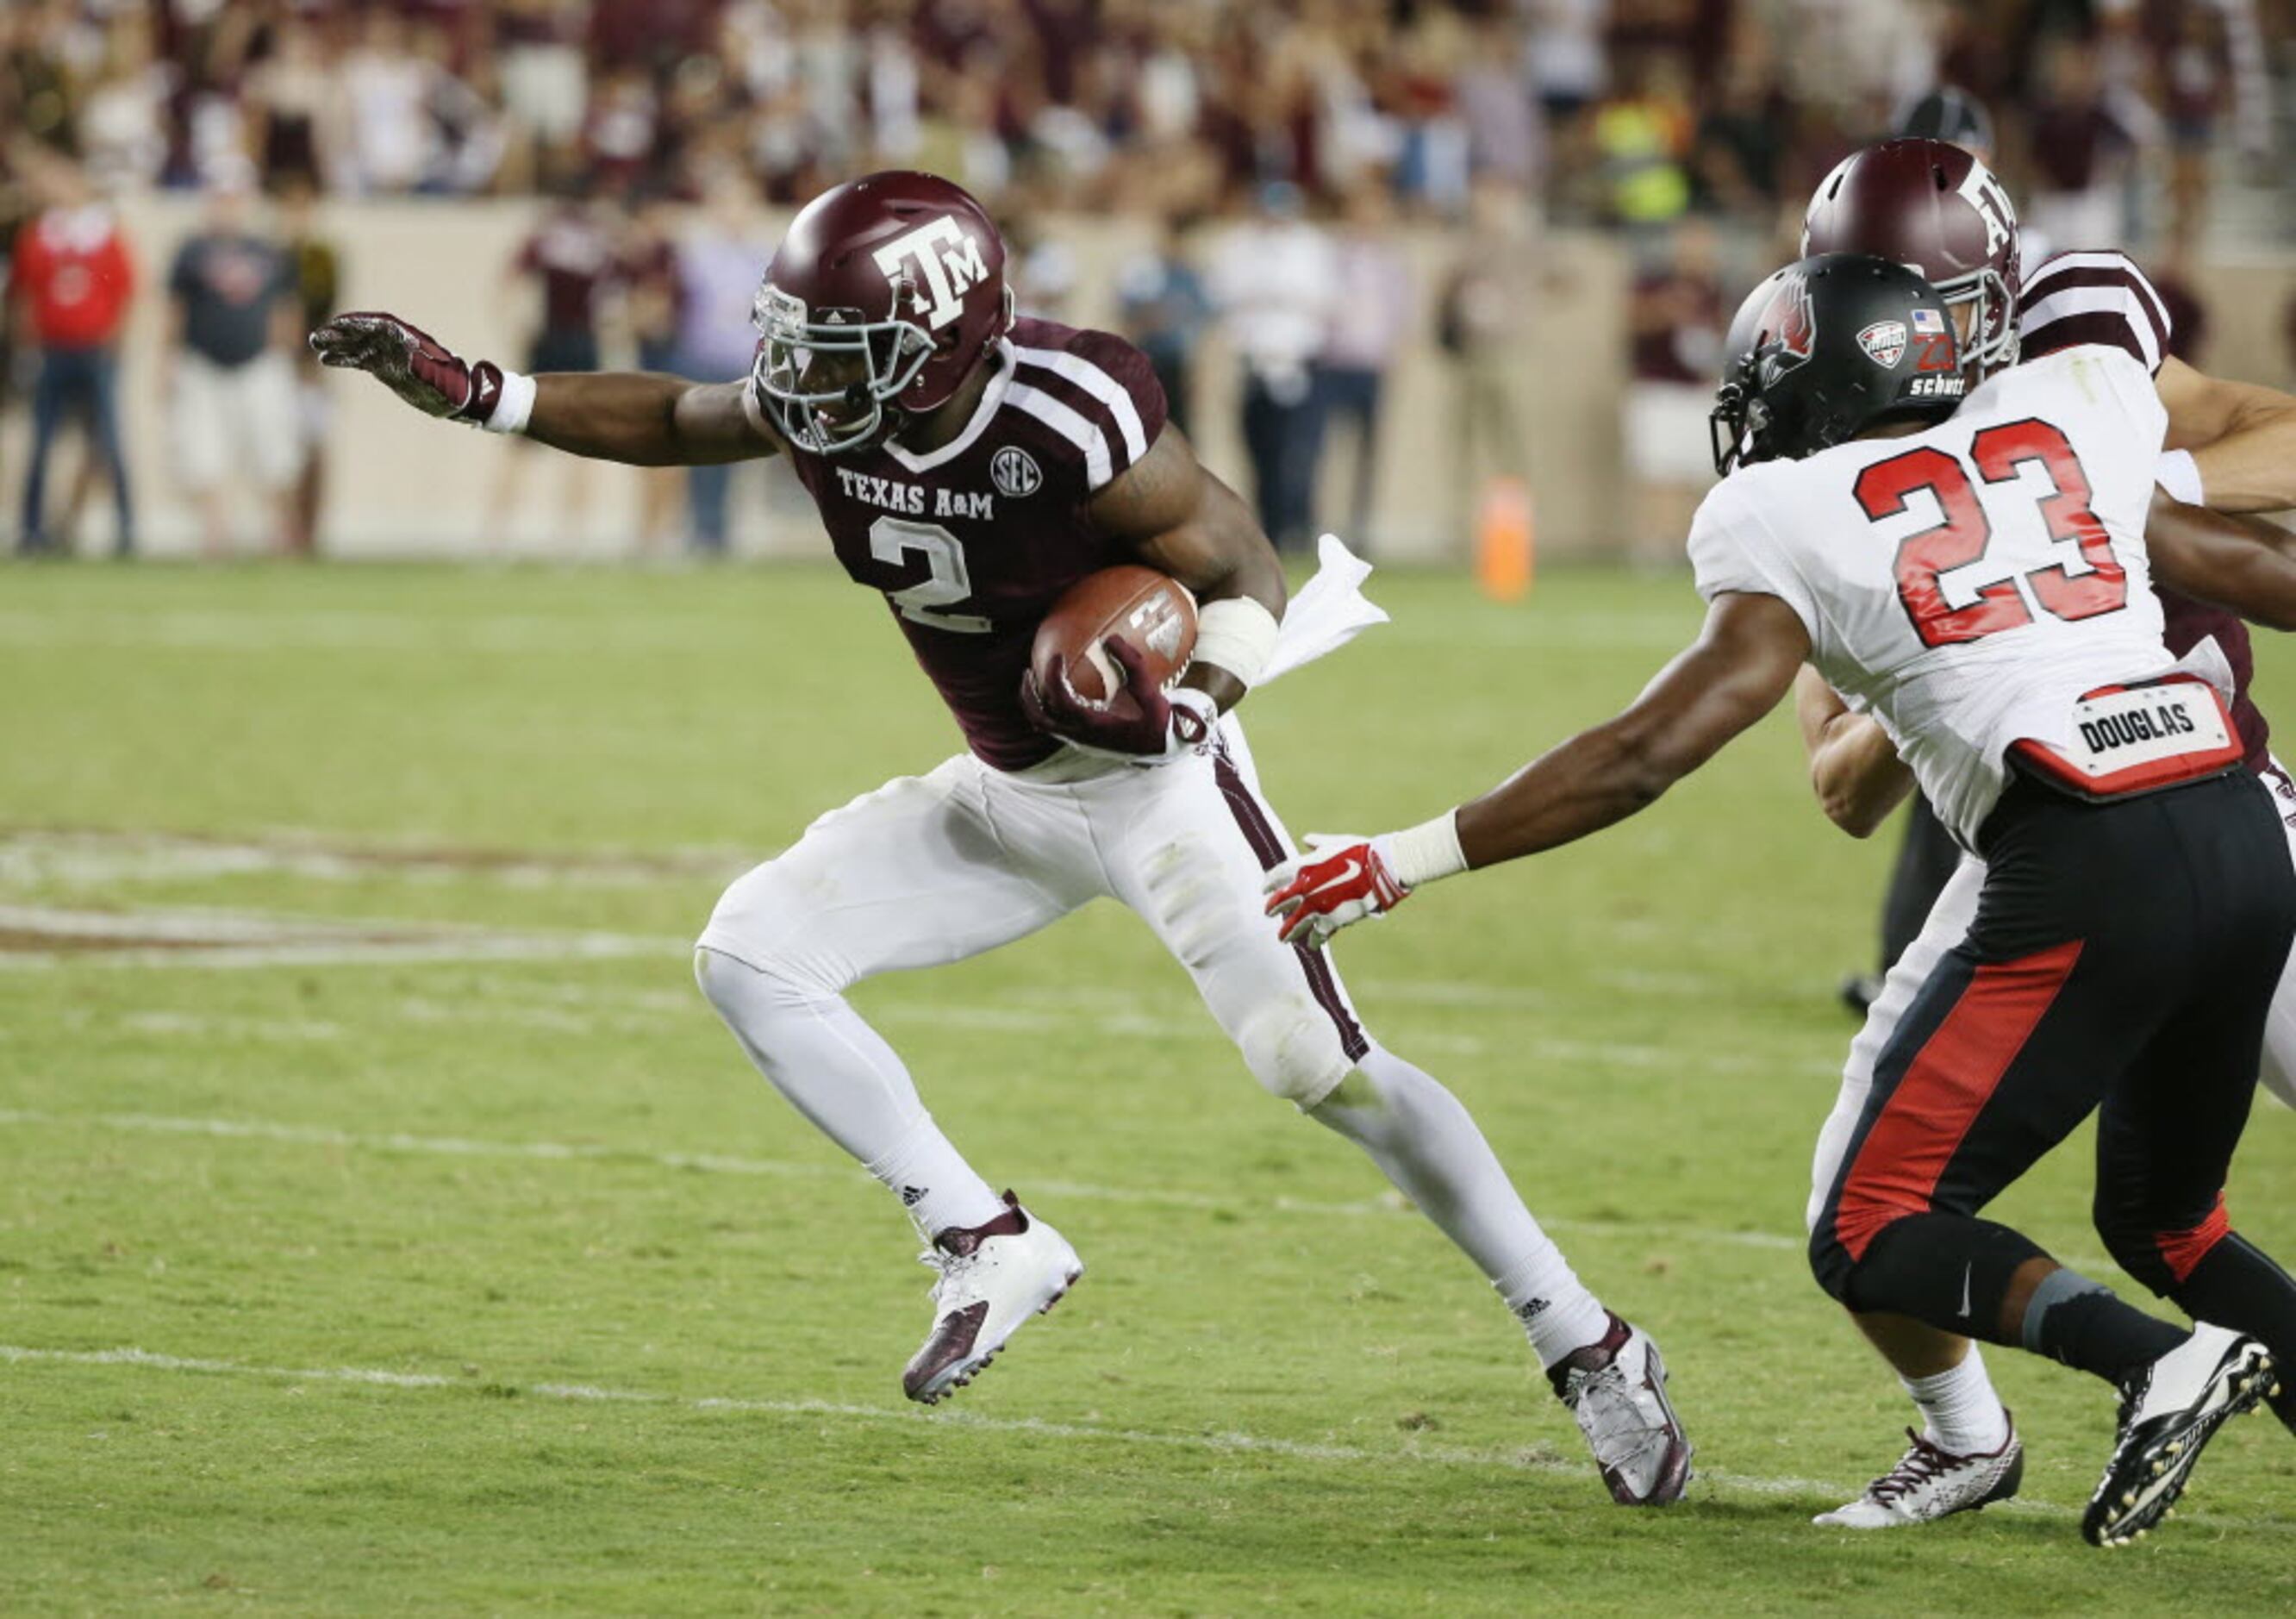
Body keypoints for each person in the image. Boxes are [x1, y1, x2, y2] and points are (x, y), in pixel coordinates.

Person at [309, 170, 1692, 1507]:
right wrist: (477, 393)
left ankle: (1584, 1335)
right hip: (1006, 791)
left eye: (838, 345)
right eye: (800, 341)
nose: (803, 375)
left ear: (942, 341)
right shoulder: (830, 404)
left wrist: (1193, 699)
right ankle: (984, 1235)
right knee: (751, 952)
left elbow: (1244, 567)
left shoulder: (1068, 406)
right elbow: (680, 415)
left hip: (1158, 785)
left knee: (1311, 1062)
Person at [1266, 251, 2292, 1550]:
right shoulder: (2066, 406)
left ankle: (2156, 1362)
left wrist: (1397, 857)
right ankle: (2141, 1365)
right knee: (2169, 1212)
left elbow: (1649, 750)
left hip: (2088, 852)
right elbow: (2239, 563)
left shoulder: (1786, 507)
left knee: (1870, 1223)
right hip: (2241, 820)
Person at [1788, 137, 2296, 1525]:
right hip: (2041, 831)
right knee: (1864, 1180)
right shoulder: (1831, 422)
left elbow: (2276, 426)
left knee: (2143, 1211)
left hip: (2221, 790)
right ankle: (1961, 1432)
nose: (1895, 332)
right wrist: (1966, 637)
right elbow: (1837, 786)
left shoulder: (2079, 333)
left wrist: (2123, 516)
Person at [164, 174, 303, 556]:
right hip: (202, 363)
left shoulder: (269, 251)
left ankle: (280, 537)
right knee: (203, 454)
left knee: (273, 454)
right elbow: (176, 309)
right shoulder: (191, 251)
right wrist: (167, 361)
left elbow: (285, 308)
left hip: (259, 362)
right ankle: (216, 536)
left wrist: (286, 358)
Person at [11, 152, 134, 558]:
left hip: (94, 350)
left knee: (110, 443)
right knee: (42, 443)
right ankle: (32, 531)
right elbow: (24, 296)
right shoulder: (38, 236)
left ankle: (125, 530)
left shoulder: (103, 235)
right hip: (53, 350)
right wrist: (27, 346)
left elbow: (124, 293)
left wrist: (111, 343)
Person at [1208, 182, 1338, 553]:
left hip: (1299, 363)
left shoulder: (1312, 246)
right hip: (1254, 364)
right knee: (1260, 451)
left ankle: (1297, 525)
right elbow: (1224, 297)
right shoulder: (1239, 246)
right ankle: (1269, 529)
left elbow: (1324, 300)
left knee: (1299, 451)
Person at [1315, 182, 1412, 547]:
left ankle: (1361, 528)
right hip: (1334, 364)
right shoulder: (1333, 257)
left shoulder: (1391, 264)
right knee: (1325, 451)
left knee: (1368, 453)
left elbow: (1401, 316)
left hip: (1372, 367)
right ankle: (1324, 528)